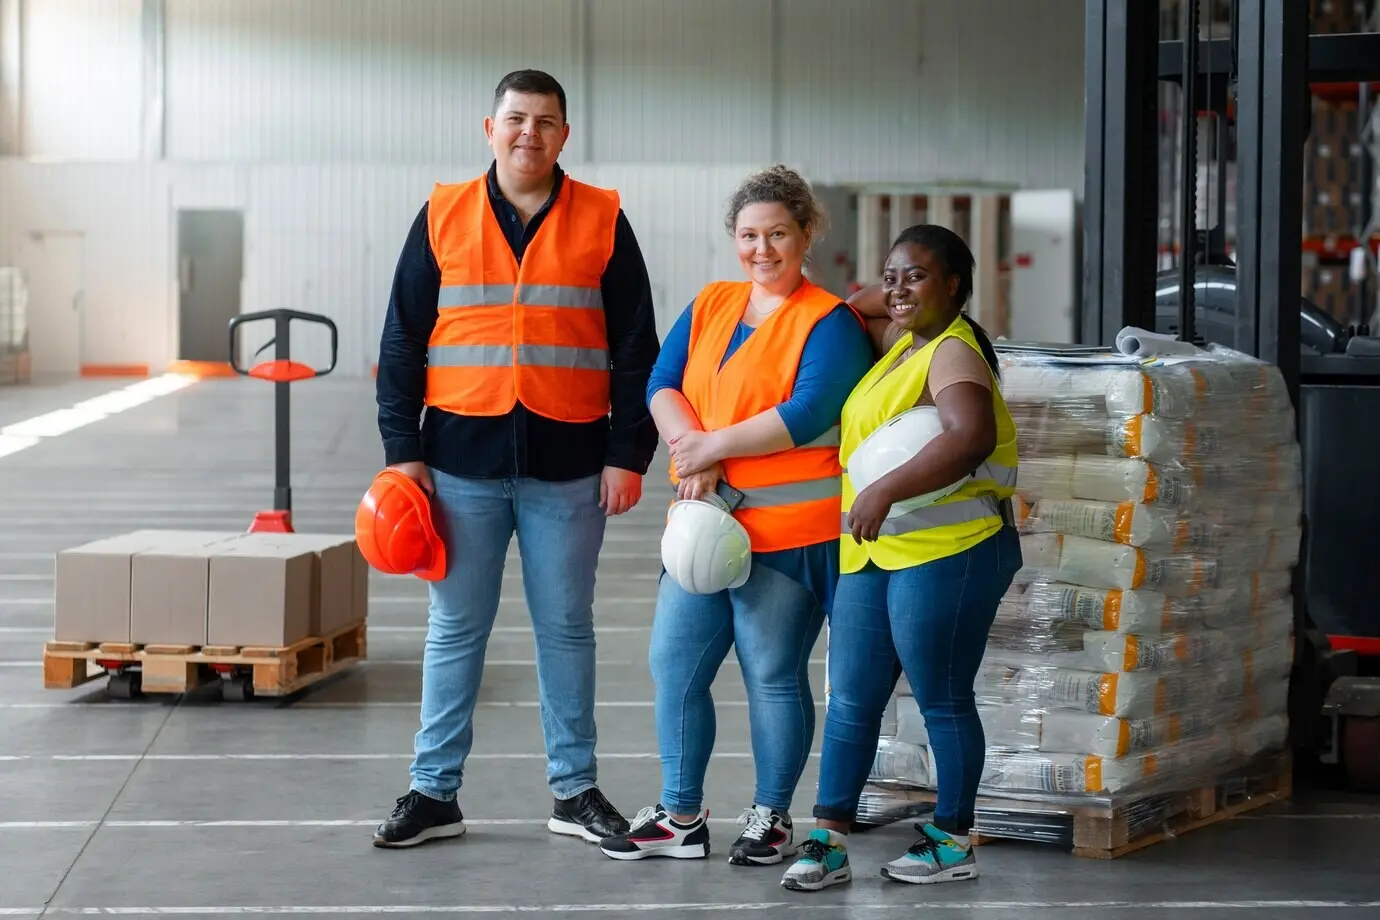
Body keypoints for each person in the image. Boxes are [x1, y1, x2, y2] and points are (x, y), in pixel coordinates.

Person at [371, 69, 661, 849]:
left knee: (566, 628)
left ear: (565, 134)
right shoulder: (442, 214)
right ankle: (433, 794)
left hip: (569, 462)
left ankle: (574, 792)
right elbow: (402, 338)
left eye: (546, 121)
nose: (529, 132)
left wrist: (627, 452)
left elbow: (638, 346)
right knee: (455, 628)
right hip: (459, 461)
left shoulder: (603, 218)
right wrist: (403, 453)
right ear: (489, 128)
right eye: (516, 119)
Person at [597, 165, 874, 866]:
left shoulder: (828, 320)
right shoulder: (712, 303)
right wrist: (695, 453)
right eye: (749, 234)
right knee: (676, 666)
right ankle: (681, 814)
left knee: (771, 672)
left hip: (787, 536)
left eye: (778, 233)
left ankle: (771, 815)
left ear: (807, 233)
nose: (762, 248)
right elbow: (662, 383)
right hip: (701, 525)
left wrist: (710, 446)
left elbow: (807, 411)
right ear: (734, 238)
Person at [780, 224, 1022, 890]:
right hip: (875, 551)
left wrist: (885, 488)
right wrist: (895, 287)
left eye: (917, 275)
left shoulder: (952, 350)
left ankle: (951, 840)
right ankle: (826, 841)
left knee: (942, 698)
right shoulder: (899, 344)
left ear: (955, 285)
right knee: (853, 698)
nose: (895, 288)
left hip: (950, 549)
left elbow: (969, 436)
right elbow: (856, 306)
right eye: (891, 275)